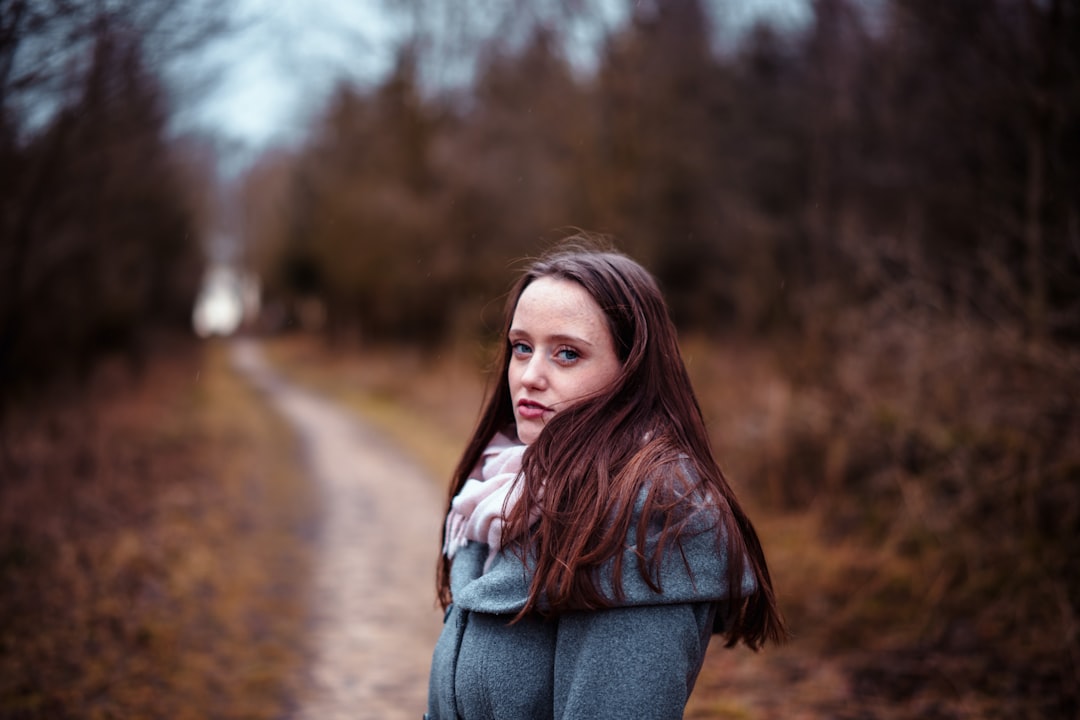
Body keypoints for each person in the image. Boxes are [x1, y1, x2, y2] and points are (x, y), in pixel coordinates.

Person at [426, 238, 787, 720]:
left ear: (630, 372)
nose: (529, 375)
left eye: (567, 354)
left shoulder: (649, 514)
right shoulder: (500, 488)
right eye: (521, 347)